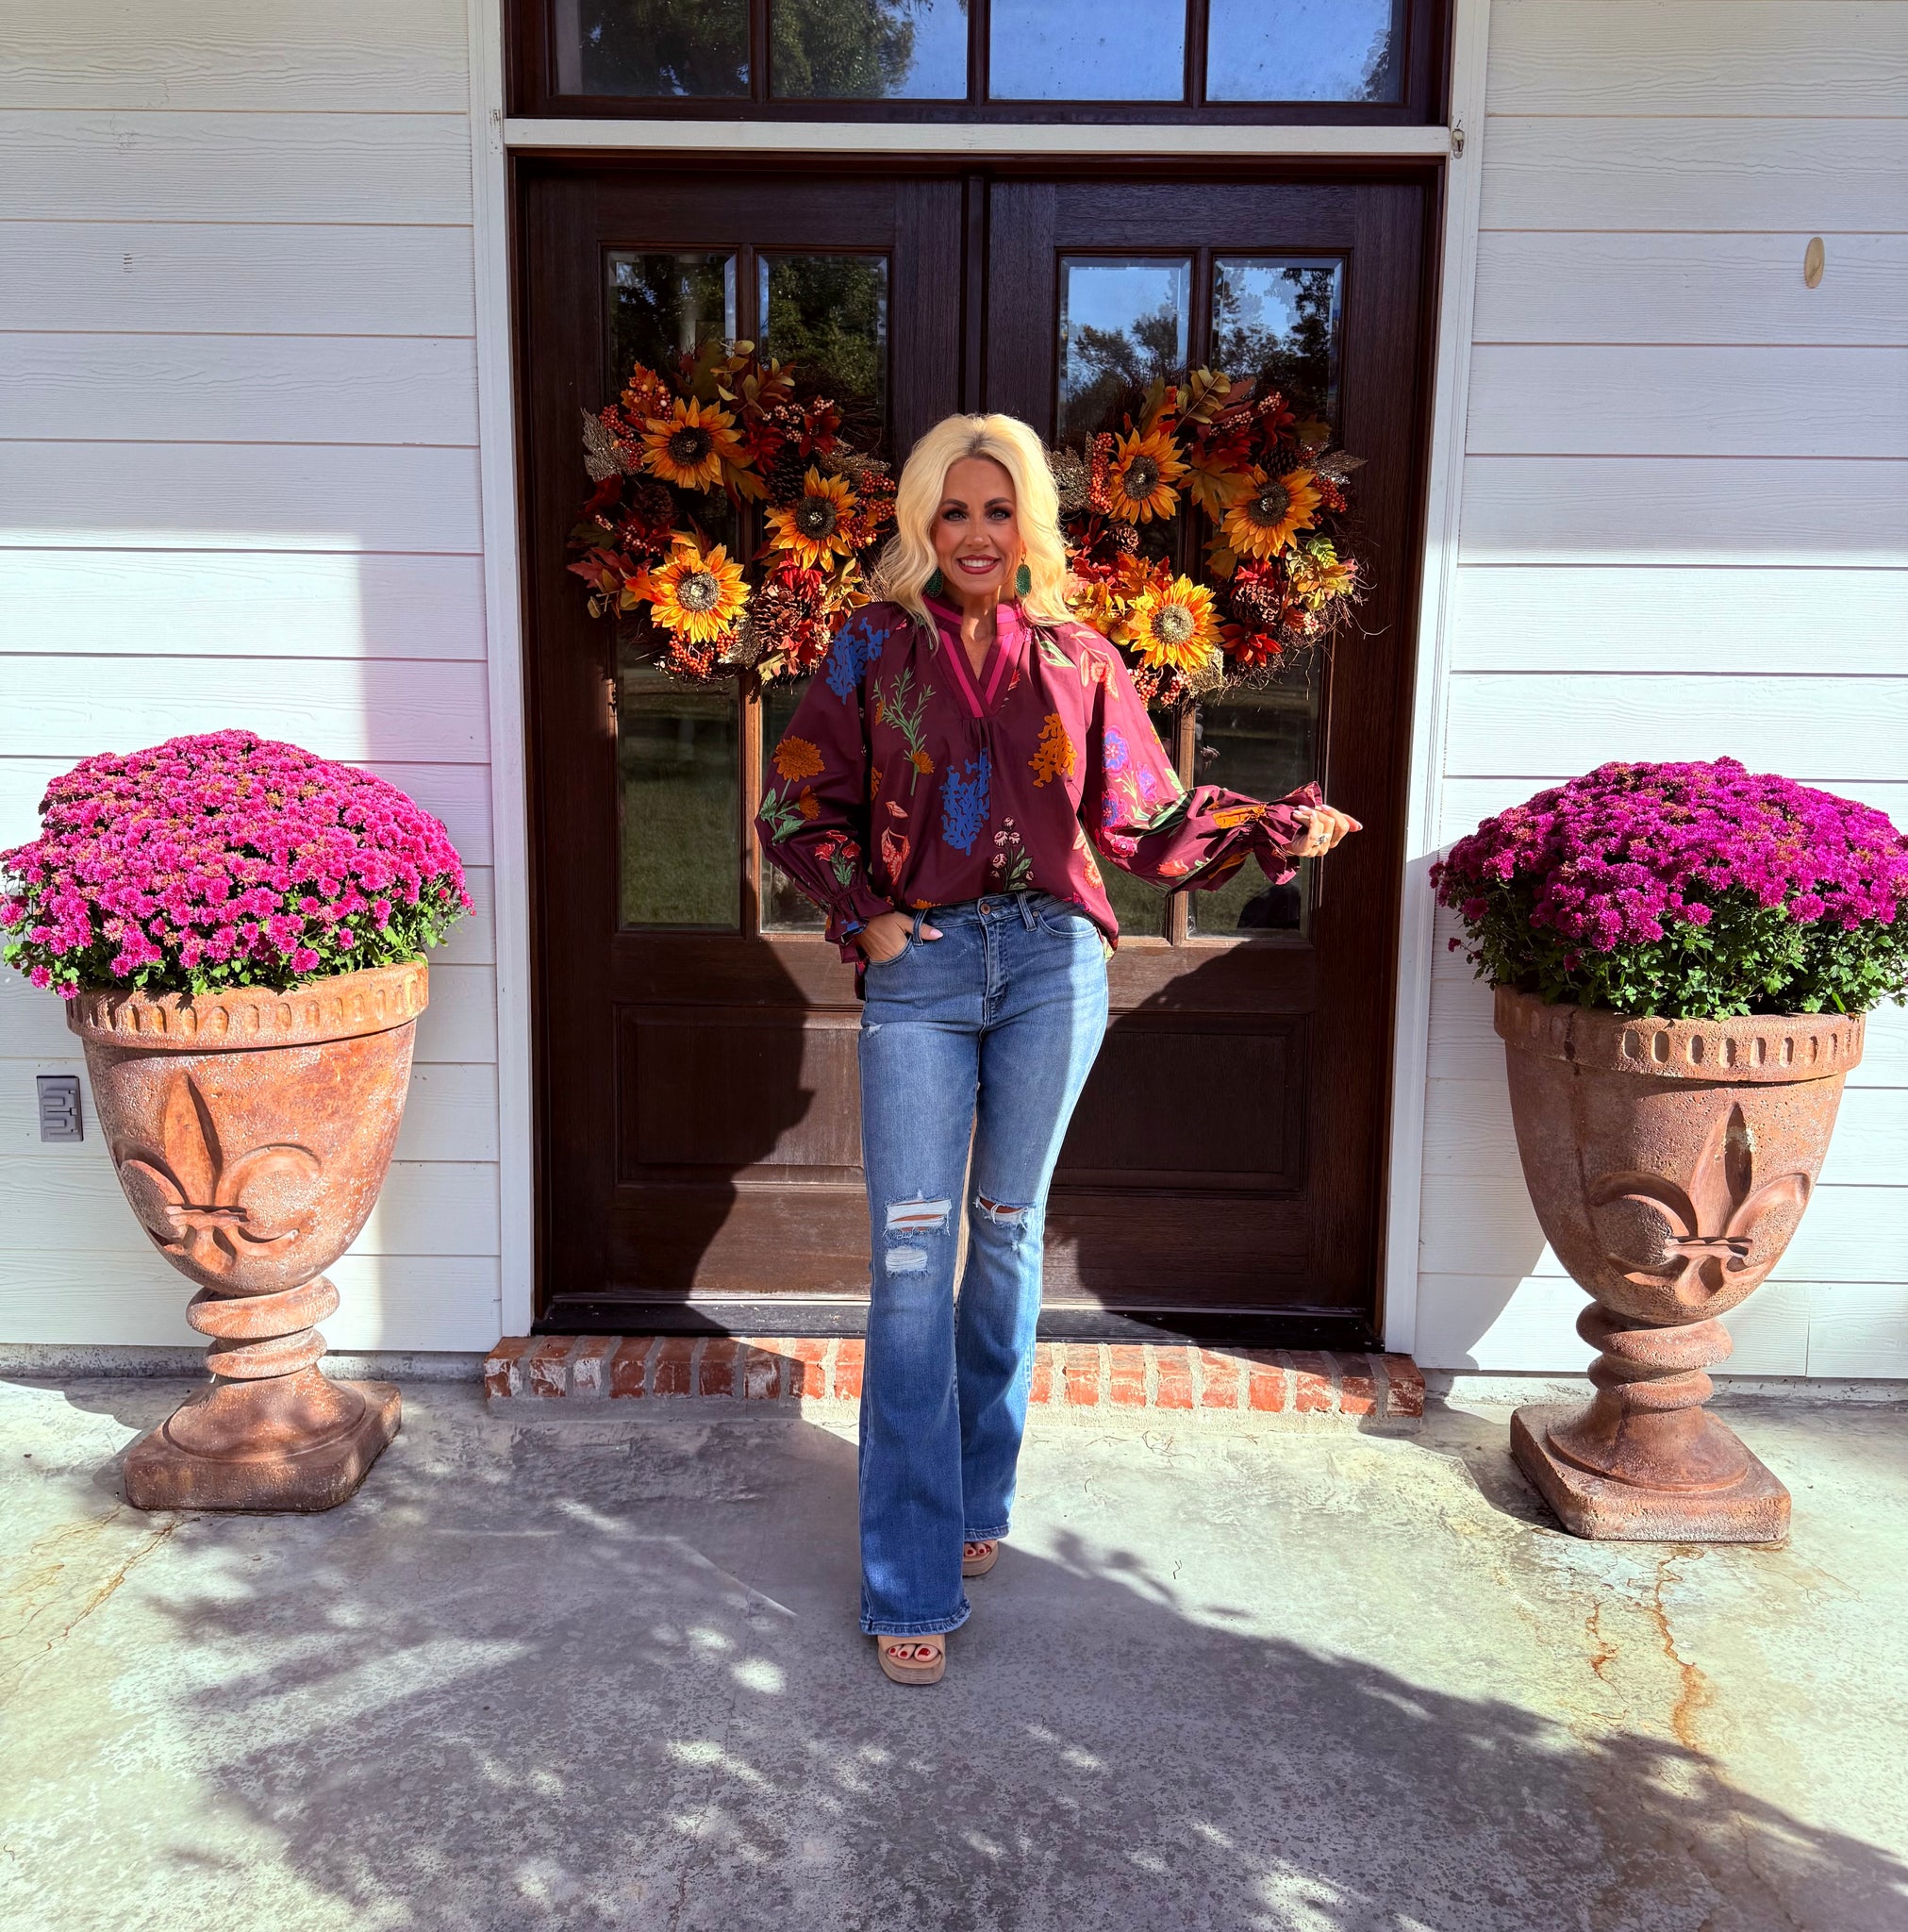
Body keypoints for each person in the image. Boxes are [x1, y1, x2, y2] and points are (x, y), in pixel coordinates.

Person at [755, 413, 1360, 1685]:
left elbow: (1143, 821)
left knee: (1008, 1232)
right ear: (923, 525)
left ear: (1030, 526)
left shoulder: (1080, 658)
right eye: (953, 511)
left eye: (998, 511)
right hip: (920, 970)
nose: (976, 534)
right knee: (914, 1253)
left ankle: (979, 1496)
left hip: (1051, 966)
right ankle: (907, 1575)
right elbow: (795, 799)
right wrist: (869, 914)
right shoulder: (872, 646)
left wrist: (1273, 823)